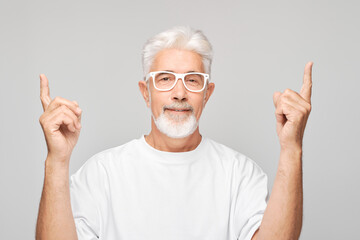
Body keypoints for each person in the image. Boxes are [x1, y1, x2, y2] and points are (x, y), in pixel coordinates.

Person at [36, 26, 313, 240]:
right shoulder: (102, 173)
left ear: (207, 94)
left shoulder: (239, 173)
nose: (179, 93)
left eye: (192, 80)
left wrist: (292, 149)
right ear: (146, 92)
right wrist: (56, 160)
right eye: (165, 79)